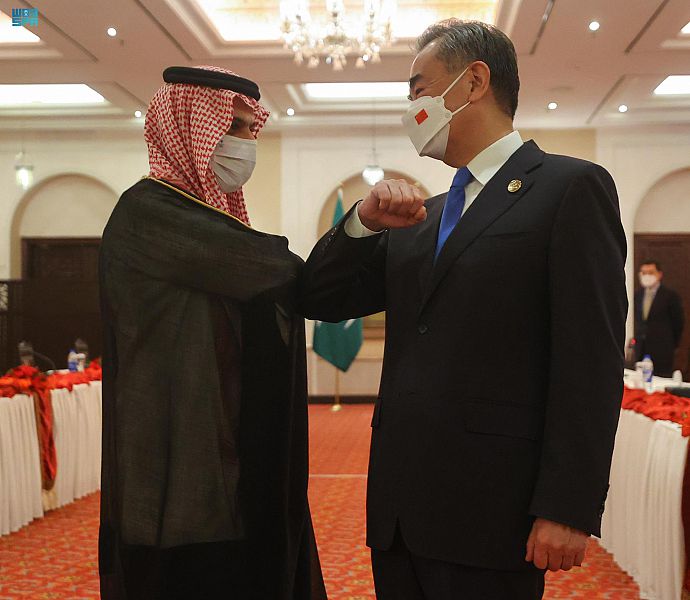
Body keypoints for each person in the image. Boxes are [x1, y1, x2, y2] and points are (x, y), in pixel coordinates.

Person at [300, 20, 627, 600]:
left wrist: (567, 506)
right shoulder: (418, 217)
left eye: (418, 90)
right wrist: (362, 224)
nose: (411, 109)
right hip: (400, 512)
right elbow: (320, 298)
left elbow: (590, 362)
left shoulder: (569, 188)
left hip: (494, 510)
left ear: (474, 82)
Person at [99, 65, 326, 600]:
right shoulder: (148, 214)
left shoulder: (207, 221)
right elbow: (283, 273)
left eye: (251, 129)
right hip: (178, 467)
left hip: (228, 450)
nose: (248, 142)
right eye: (235, 126)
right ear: (188, 129)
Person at [634, 259, 685, 377]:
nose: (647, 276)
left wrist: (673, 344)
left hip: (662, 348)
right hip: (641, 347)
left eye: (650, 272)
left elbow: (678, 323)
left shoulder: (670, 296)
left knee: (661, 379)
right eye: (644, 273)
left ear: (659, 274)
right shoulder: (638, 294)